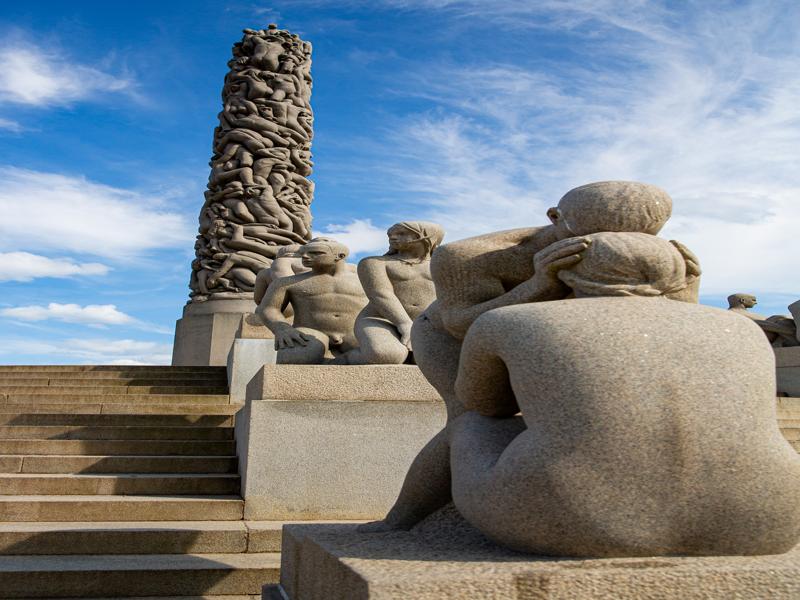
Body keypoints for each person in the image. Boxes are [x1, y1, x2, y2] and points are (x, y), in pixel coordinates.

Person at [361, 180, 702, 532]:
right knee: (475, 419)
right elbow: (461, 323)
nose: (610, 247)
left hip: (548, 336)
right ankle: (411, 520)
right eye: (590, 239)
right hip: (452, 334)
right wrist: (538, 287)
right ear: (555, 218)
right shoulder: (472, 256)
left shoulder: (650, 252)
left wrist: (685, 288)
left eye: (639, 239)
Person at [447, 232, 800, 556]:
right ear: (679, 274)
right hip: (776, 515)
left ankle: (403, 521)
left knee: (473, 424)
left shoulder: (507, 320)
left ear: (563, 270)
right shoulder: (743, 329)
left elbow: (484, 403)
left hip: (568, 517)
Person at [346, 222, 445, 365]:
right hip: (381, 320)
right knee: (387, 356)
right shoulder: (374, 263)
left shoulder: (441, 265)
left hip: (426, 322)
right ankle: (347, 358)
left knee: (433, 360)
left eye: (401, 234)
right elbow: (380, 294)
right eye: (390, 234)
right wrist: (404, 324)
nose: (392, 237)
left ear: (424, 236)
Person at [256, 238, 367, 364]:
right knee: (294, 358)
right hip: (309, 332)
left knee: (383, 354)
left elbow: (380, 304)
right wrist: (281, 328)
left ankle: (335, 364)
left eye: (315, 253)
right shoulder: (286, 283)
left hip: (355, 332)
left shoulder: (363, 281)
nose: (304, 256)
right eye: (303, 252)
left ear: (339, 256)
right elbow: (268, 308)